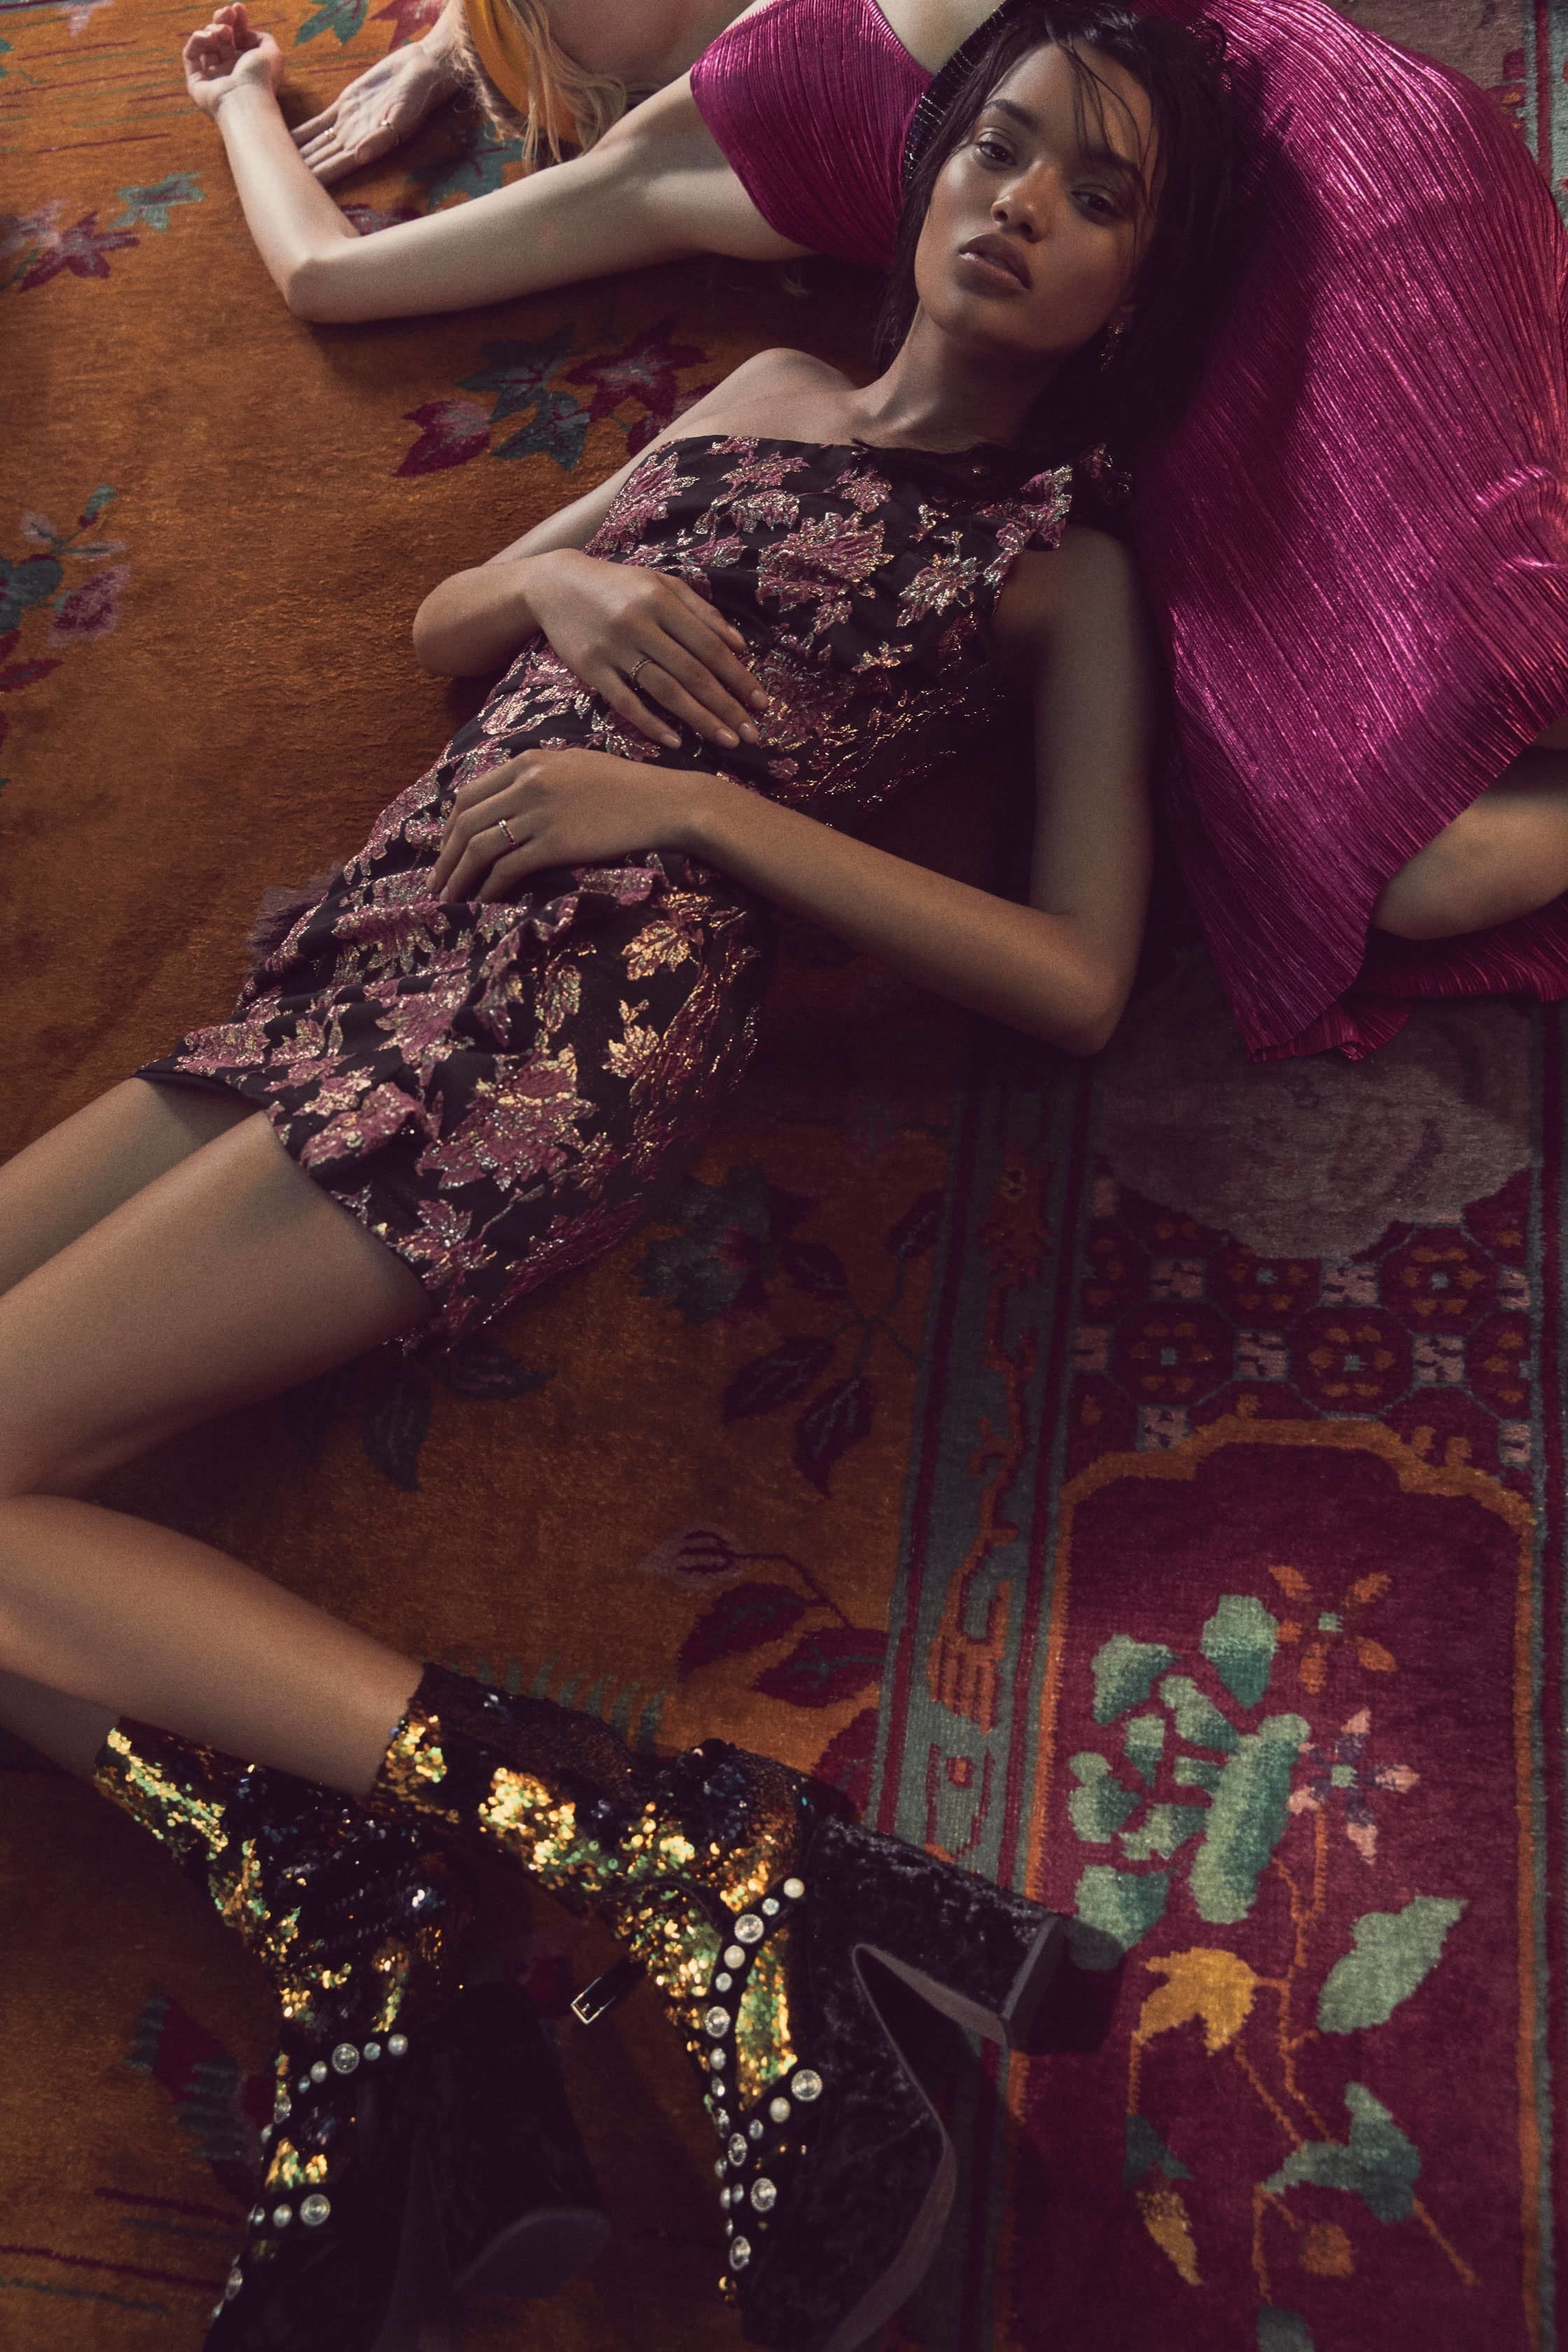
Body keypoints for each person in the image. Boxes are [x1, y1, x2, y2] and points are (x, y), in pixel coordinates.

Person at [0, 10, 1233, 2347]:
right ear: (926, 169)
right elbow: (449, 619)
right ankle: (370, 1934)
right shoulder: (758, 392)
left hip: (569, 1015)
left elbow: (1076, 975)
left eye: (1098, 193)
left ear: (1137, 289)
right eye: (999, 146)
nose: (1019, 205)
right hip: (364, 946)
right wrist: (561, 592)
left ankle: (672, 1847)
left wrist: (693, 811)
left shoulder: (1061, 572)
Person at [178, 0, 1568, 1061]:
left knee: (1498, 664)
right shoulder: (691, 147)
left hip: (1339, 160)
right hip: (1189, 347)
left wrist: (440, 37)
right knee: (1398, 868)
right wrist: (243, 99)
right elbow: (328, 276)